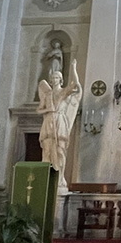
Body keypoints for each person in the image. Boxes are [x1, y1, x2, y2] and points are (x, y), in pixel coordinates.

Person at [37, 58, 82, 190]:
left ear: (61, 80)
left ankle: (60, 177)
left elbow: (77, 85)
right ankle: (46, 178)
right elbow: (39, 109)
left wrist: (73, 67)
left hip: (60, 121)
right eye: (53, 77)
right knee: (47, 151)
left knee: (60, 151)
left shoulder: (63, 92)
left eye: (57, 77)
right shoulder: (47, 94)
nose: (55, 79)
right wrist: (48, 110)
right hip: (49, 121)